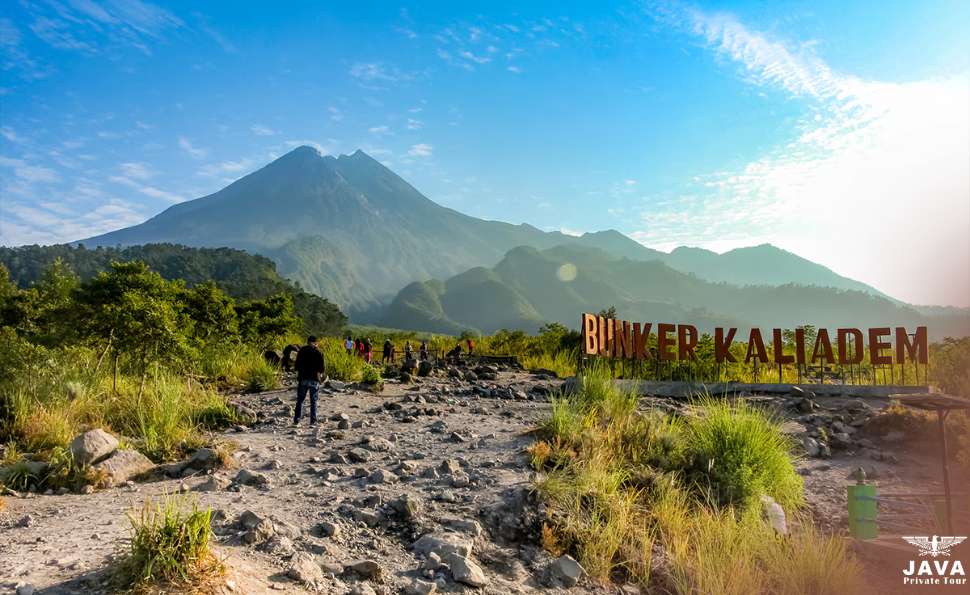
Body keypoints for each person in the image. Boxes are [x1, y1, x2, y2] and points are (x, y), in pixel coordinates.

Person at [293, 335, 325, 426]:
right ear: (316, 342)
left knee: (300, 400)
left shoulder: (301, 351)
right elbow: (322, 369)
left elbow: (296, 365)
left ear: (307, 341)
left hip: (303, 378)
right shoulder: (319, 352)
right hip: (314, 379)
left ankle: (297, 420)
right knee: (313, 401)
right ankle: (313, 421)